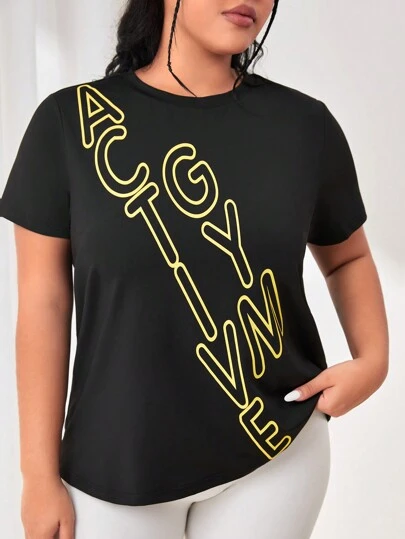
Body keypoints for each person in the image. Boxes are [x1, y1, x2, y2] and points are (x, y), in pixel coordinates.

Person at [0, 0, 389, 538]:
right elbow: (43, 304)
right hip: (114, 465)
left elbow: (347, 255)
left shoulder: (304, 127)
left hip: (274, 451)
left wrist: (373, 361)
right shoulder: (69, 123)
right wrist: (37, 476)